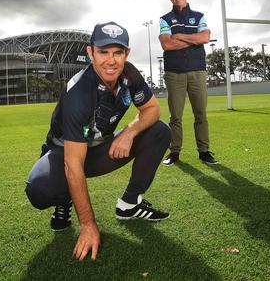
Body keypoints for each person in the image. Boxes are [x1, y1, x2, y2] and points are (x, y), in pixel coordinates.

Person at [25, 22, 171, 261]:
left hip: (100, 148)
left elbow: (152, 109)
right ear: (91, 52)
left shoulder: (130, 74)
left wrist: (129, 132)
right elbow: (73, 165)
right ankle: (63, 199)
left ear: (127, 54)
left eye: (117, 52)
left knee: (160, 131)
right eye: (103, 52)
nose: (111, 61)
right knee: (39, 190)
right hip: (65, 153)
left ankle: (130, 203)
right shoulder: (79, 93)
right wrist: (88, 224)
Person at [158, 0, 218, 166]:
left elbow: (205, 37)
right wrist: (194, 40)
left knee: (200, 113)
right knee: (175, 115)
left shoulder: (199, 16)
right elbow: (166, 44)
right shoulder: (165, 19)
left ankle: (204, 151)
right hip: (174, 73)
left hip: (197, 71)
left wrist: (180, 36)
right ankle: (174, 152)